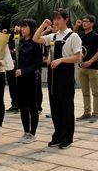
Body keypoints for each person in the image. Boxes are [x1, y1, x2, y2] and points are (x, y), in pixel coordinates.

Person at [34, 8, 82, 150]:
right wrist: (43, 25)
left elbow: (77, 57)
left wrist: (61, 60)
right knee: (55, 106)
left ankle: (67, 137)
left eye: (58, 19)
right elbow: (36, 38)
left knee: (66, 106)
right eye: (54, 19)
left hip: (65, 73)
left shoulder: (73, 36)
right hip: (53, 74)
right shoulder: (53, 36)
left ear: (66, 20)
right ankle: (58, 134)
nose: (56, 22)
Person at [15, 19, 43, 144]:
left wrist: (24, 71)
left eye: (25, 27)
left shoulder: (35, 44)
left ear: (31, 28)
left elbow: (38, 63)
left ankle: (33, 133)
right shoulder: (20, 42)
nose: (22, 29)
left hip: (31, 78)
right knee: (23, 106)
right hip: (19, 78)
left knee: (32, 106)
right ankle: (26, 131)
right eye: (21, 27)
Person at [73, 15, 98, 123]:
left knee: (95, 92)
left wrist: (90, 61)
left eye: (87, 22)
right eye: (83, 21)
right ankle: (87, 112)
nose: (84, 23)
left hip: (92, 67)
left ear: (92, 23)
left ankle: (95, 113)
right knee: (84, 91)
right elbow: (73, 35)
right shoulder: (80, 35)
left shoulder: (96, 36)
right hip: (81, 67)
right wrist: (76, 25)